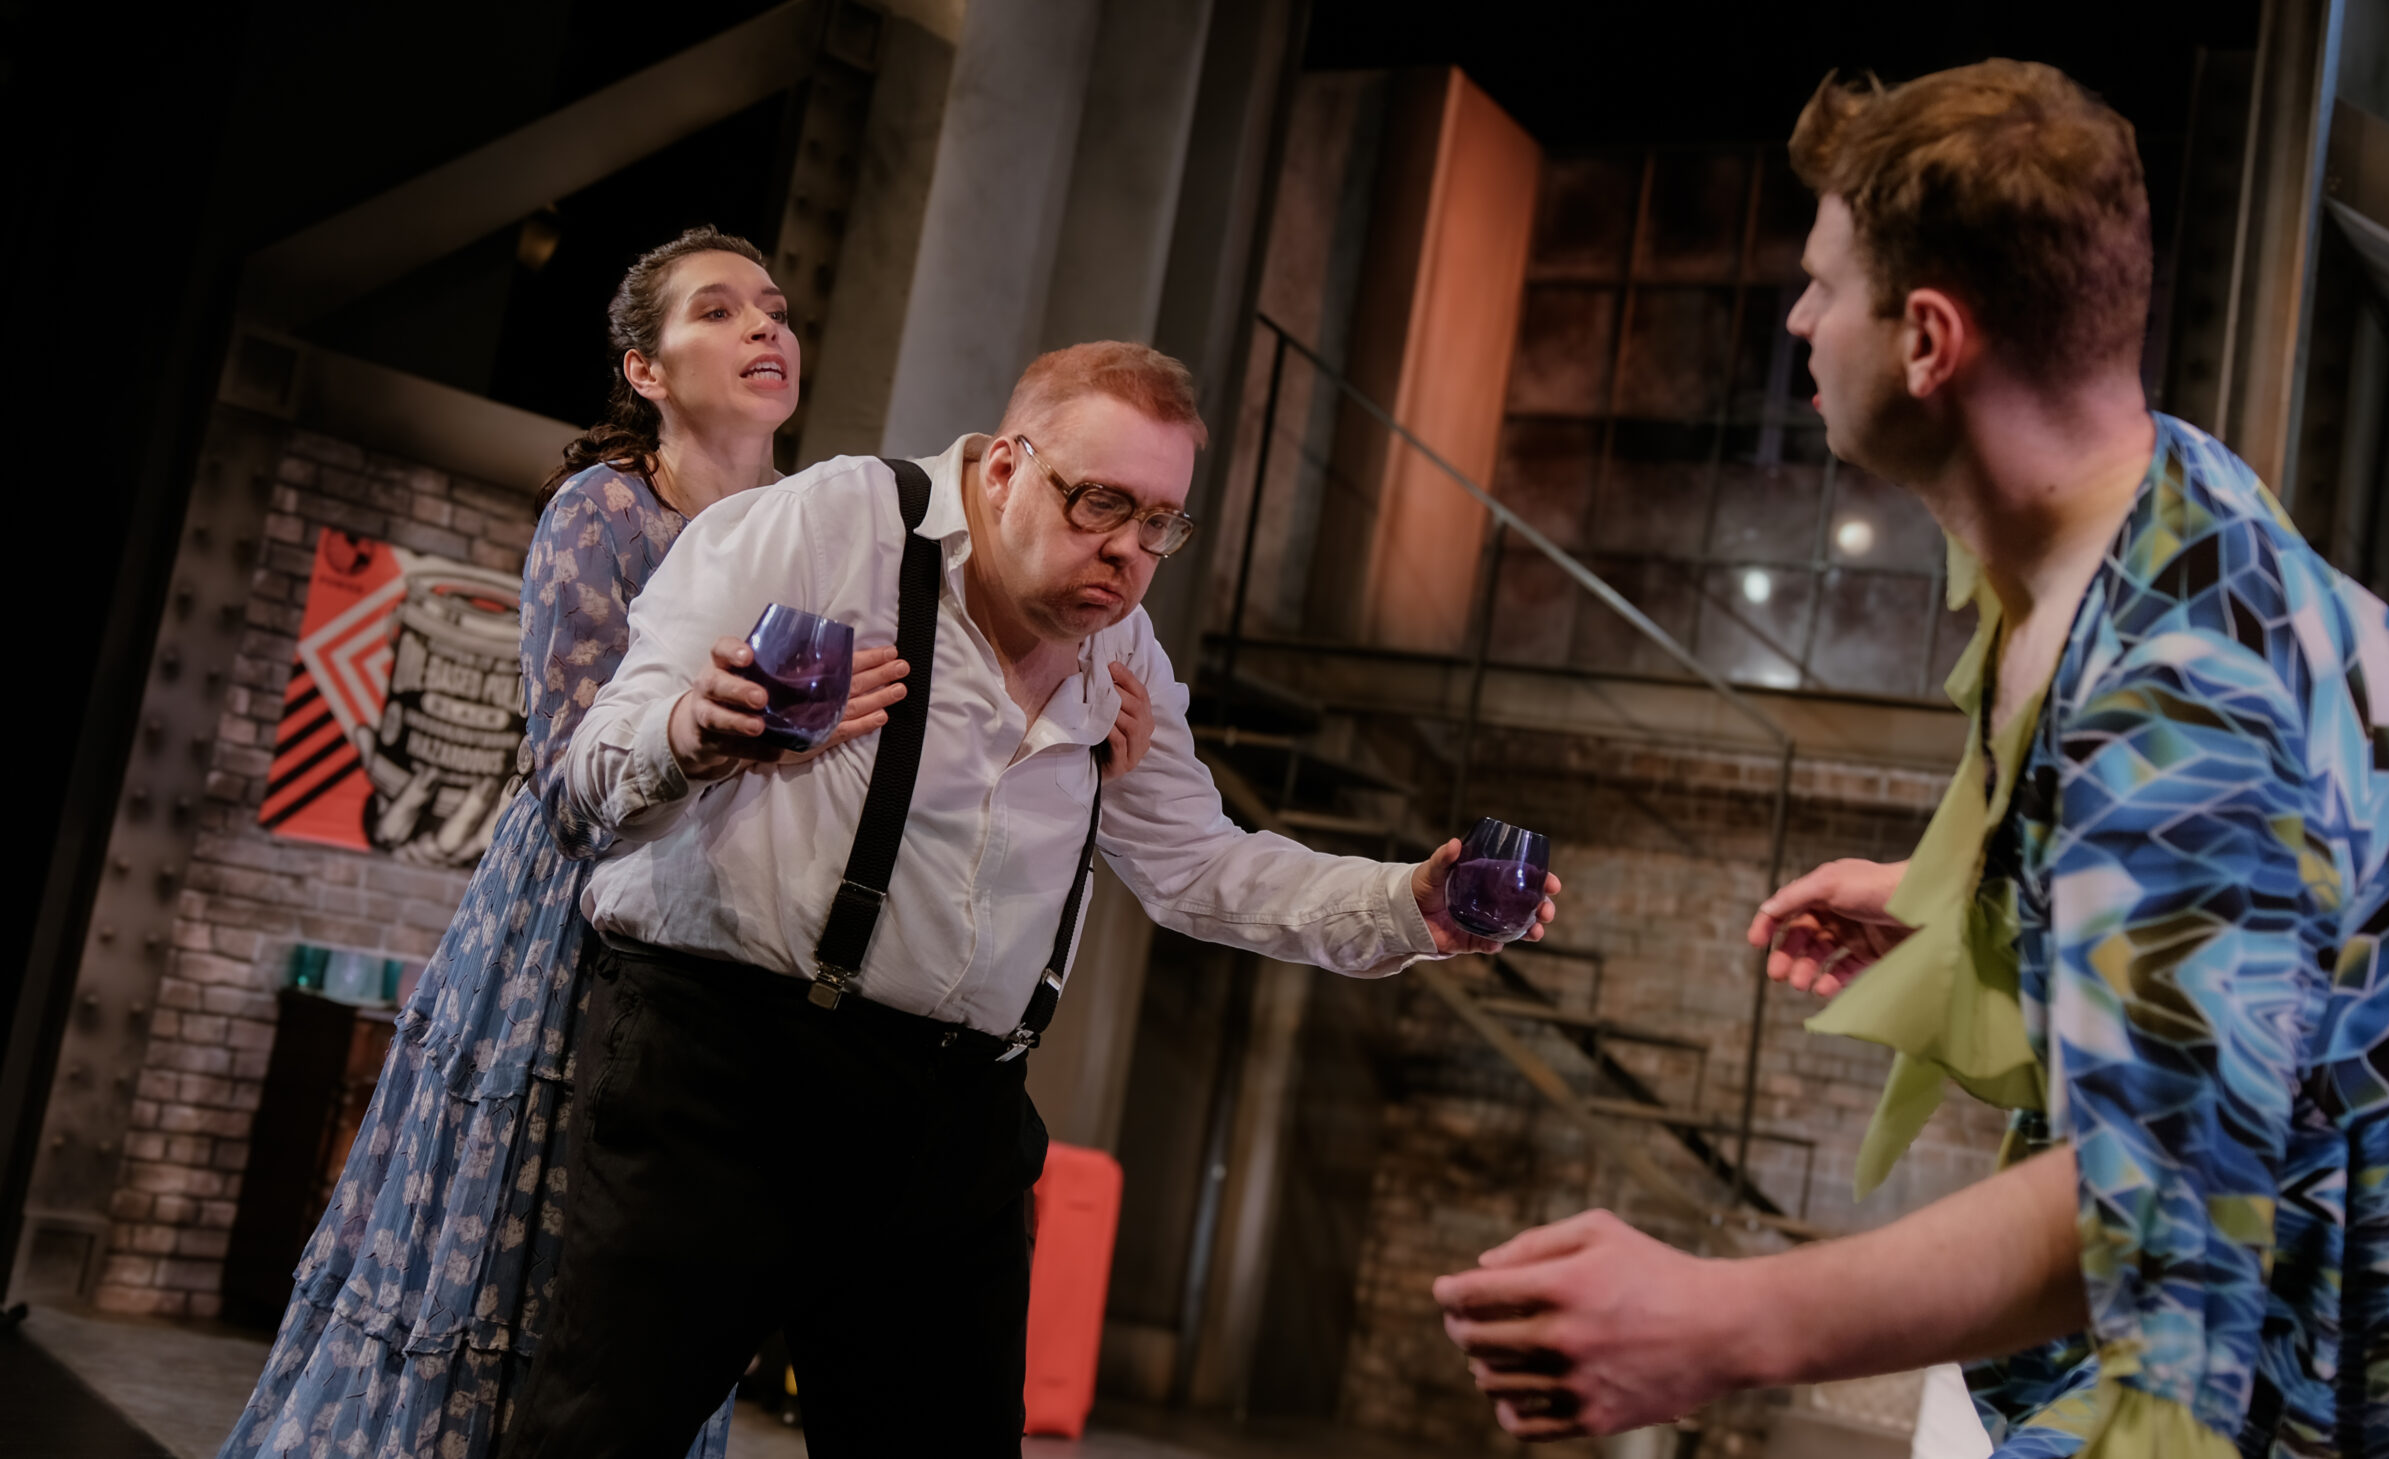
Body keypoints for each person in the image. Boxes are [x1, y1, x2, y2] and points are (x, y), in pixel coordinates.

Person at [1432, 61, 2389, 1455]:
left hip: (2325, 1401)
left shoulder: (2179, 695)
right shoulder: (2157, 497)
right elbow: (2309, 929)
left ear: (1927, 340)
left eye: (1822, 285)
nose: (1797, 318)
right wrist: (1991, 914)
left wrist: (1716, 1322)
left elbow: (2157, 1199)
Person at [495, 339, 1561, 1458]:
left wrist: (1409, 906)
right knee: (599, 1437)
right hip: (731, 1075)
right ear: (1005, 466)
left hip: (958, 1119)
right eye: (1101, 503)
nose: (1128, 550)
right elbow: (589, 775)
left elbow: (1199, 864)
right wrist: (692, 732)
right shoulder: (826, 527)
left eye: (1161, 523)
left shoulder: (1121, 647)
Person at [221, 229, 904, 1459]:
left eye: (773, 307)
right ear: (647, 369)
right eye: (718, 310)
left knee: (648, 1310)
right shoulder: (608, 510)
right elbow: (568, 768)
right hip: (575, 930)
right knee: (515, 1254)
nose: (766, 326)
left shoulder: (814, 533)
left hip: (724, 930)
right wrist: (739, 737)